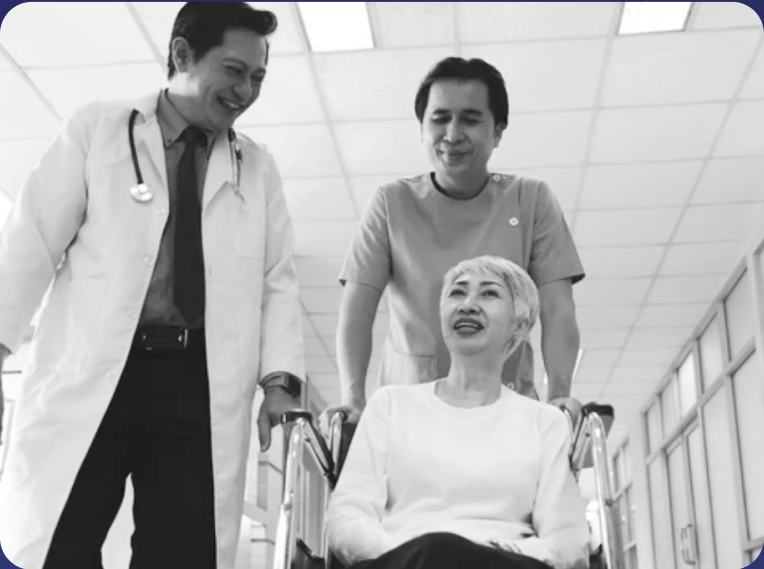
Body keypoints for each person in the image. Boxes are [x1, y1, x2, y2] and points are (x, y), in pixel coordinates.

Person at [0, 3, 304, 568]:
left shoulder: (256, 168)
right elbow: (33, 238)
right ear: (183, 54)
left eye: (258, 77)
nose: (247, 91)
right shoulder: (99, 129)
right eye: (235, 70)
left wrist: (280, 382)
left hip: (197, 384)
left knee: (181, 552)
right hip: (99, 370)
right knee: (61, 539)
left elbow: (276, 281)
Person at [324, 57, 584, 432]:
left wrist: (560, 394)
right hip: (409, 414)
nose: (453, 133)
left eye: (471, 119)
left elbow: (559, 310)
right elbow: (356, 309)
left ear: (497, 131)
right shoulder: (390, 202)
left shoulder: (531, 200)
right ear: (421, 129)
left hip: (507, 412)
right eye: (440, 118)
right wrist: (352, 399)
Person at [326, 256, 589, 569]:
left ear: (519, 324)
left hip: (507, 564)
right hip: (403, 562)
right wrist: (409, 553)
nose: (468, 304)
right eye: (457, 293)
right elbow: (346, 520)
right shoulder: (390, 406)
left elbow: (567, 541)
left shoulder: (544, 421)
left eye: (488, 293)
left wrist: (487, 555)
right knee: (438, 549)